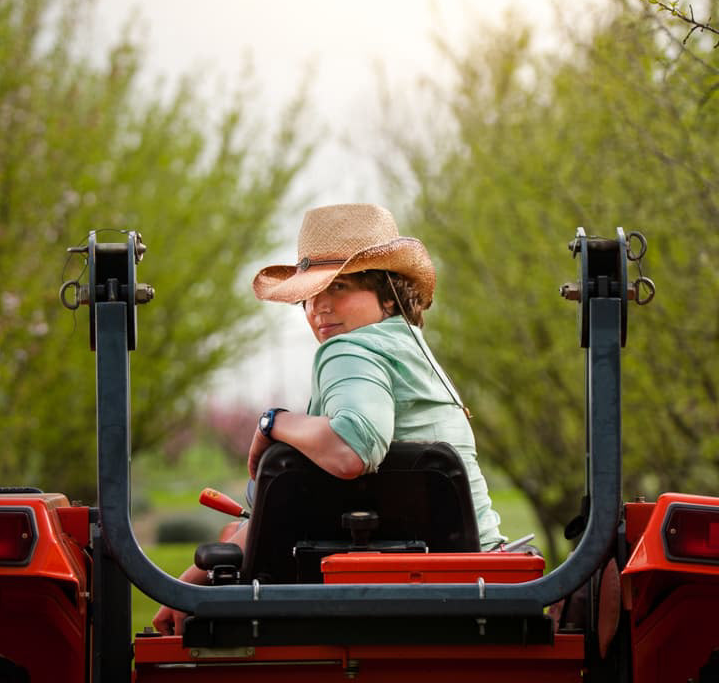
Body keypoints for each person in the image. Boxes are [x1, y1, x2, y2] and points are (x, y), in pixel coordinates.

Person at [152, 204, 502, 633]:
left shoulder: (350, 348)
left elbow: (352, 448)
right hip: (480, 576)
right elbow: (319, 494)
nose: (319, 307)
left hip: (402, 591)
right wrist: (194, 579)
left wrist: (273, 423)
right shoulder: (413, 354)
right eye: (310, 294)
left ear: (388, 294)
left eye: (339, 287)